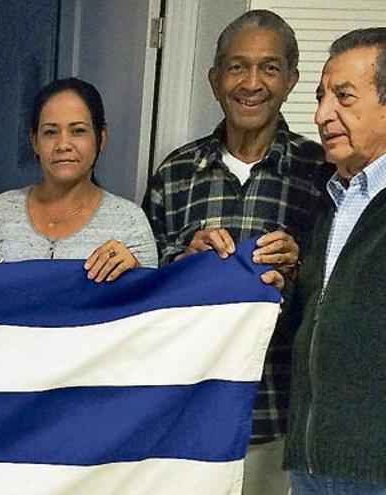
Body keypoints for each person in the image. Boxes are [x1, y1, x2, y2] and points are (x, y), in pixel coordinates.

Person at [142, 10, 331, 495]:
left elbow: (349, 296)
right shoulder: (175, 174)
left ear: (291, 79)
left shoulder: (324, 174)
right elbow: (143, 287)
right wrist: (183, 264)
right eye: (236, 67)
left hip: (279, 422)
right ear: (214, 79)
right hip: (183, 417)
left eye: (269, 68)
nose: (251, 83)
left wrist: (299, 269)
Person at [283, 27, 386, 494]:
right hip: (312, 461)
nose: (323, 114)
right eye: (322, 97)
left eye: (344, 97)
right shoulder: (329, 199)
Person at [0, 77, 157, 281]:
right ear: (34, 141)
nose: (63, 145)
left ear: (100, 138)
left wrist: (136, 272)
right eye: (50, 132)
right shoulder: (0, 210)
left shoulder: (130, 222)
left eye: (78, 131)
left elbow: (153, 308)